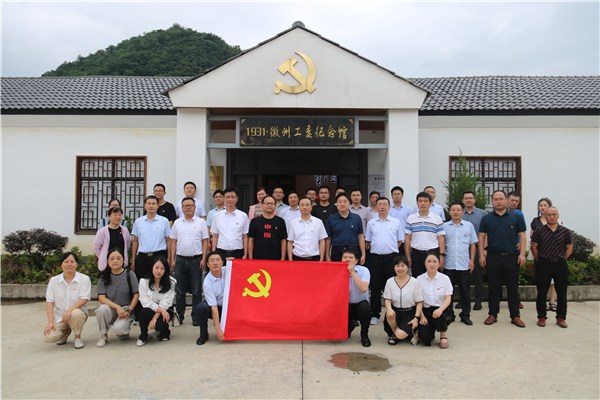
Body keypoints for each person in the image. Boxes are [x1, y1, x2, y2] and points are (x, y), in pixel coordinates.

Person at [479, 190, 527, 328]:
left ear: (506, 200)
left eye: (501, 199)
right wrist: (481, 255)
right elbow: (481, 237)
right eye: (495, 199)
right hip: (493, 257)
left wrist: (522, 254)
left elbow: (522, 236)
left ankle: (515, 316)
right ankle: (493, 314)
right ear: (492, 201)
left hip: (511, 257)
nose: (498, 201)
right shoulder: (487, 218)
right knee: (493, 288)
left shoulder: (516, 217)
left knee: (513, 288)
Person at [169, 196, 209, 326]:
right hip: (180, 260)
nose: (188, 208)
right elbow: (173, 241)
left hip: (196, 260)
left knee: (196, 291)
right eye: (185, 206)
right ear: (181, 208)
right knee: (180, 291)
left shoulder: (201, 222)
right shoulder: (177, 223)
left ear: (195, 207)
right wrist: (172, 259)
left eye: (190, 205)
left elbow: (205, 241)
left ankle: (196, 317)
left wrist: (204, 259)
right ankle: (180, 316)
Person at [531, 206, 573, 328]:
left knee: (562, 292)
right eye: (549, 215)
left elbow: (569, 247)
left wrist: (563, 258)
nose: (552, 217)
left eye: (554, 214)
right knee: (542, 292)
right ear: (545, 216)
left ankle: (561, 318)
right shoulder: (539, 231)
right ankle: (541, 317)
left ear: (558, 216)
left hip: (560, 264)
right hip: (543, 263)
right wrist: (539, 259)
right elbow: (534, 246)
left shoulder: (565, 231)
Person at [365, 197, 403, 325]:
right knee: (375, 287)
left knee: (392, 287)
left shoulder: (396, 222)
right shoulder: (371, 223)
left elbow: (399, 241)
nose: (382, 207)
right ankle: (375, 314)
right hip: (375, 259)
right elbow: (368, 241)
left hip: (391, 259)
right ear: (376, 206)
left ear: (389, 207)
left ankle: (393, 312)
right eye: (379, 204)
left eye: (384, 204)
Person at [43, 252, 91, 349]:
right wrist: (50, 322)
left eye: (72, 262)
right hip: (60, 317)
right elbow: (50, 302)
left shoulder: (84, 279)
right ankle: (65, 332)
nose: (69, 264)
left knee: (75, 313)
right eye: (66, 262)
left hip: (77, 314)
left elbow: (84, 298)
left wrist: (70, 310)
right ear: (61, 265)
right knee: (48, 338)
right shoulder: (54, 281)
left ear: (77, 264)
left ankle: (77, 337)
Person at [95, 248, 139, 347]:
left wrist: (129, 310)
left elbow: (136, 294)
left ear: (123, 260)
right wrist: (117, 307)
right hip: (110, 308)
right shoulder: (103, 277)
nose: (115, 261)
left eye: (118, 258)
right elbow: (101, 298)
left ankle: (123, 331)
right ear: (107, 261)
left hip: (126, 309)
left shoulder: (130, 275)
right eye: (112, 259)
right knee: (102, 309)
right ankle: (103, 335)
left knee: (120, 331)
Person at [443, 203, 478, 325]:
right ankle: (449, 314)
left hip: (464, 264)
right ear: (450, 213)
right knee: (448, 291)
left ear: (462, 212)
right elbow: (441, 244)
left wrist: (472, 261)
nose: (456, 212)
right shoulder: (444, 226)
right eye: (453, 210)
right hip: (448, 264)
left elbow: (472, 244)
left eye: (458, 210)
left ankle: (465, 315)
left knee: (465, 291)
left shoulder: (469, 226)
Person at [383, 255, 423, 346]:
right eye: (397, 266)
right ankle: (397, 334)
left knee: (400, 335)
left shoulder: (414, 282)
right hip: (396, 311)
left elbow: (419, 302)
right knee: (389, 315)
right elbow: (387, 299)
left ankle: (399, 334)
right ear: (394, 267)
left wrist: (416, 317)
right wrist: (389, 308)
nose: (400, 268)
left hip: (410, 312)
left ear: (407, 267)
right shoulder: (390, 281)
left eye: (403, 266)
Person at [130, 195, 172, 281]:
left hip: (159, 255)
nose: (151, 206)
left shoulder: (164, 221)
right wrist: (133, 259)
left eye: (153, 203)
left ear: (158, 206)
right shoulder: (138, 221)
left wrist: (169, 258)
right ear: (145, 206)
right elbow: (135, 241)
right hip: (142, 257)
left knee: (159, 282)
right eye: (149, 203)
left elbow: (169, 240)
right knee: (141, 282)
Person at [404, 191, 446, 277]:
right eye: (420, 201)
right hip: (416, 254)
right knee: (417, 278)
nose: (423, 203)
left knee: (433, 277)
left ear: (430, 203)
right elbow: (407, 238)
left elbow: (441, 238)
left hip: (432, 253)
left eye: (425, 201)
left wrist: (441, 256)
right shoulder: (411, 218)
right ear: (417, 203)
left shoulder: (437, 218)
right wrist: (408, 256)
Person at [416, 253, 453, 348]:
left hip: (441, 309)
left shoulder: (445, 278)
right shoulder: (419, 279)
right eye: (429, 261)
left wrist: (440, 309)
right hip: (426, 311)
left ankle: (443, 334)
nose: (431, 264)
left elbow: (448, 298)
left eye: (434, 261)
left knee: (440, 316)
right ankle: (430, 330)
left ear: (439, 264)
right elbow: (418, 301)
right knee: (425, 339)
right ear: (425, 263)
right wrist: (422, 317)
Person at [137, 257, 175, 346]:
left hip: (166, 309)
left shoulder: (171, 282)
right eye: (156, 268)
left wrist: (155, 318)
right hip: (149, 308)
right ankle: (143, 335)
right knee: (144, 312)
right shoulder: (143, 282)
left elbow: (165, 303)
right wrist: (160, 310)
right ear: (152, 268)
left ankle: (164, 332)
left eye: (162, 268)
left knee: (160, 324)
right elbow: (145, 301)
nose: (159, 271)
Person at [461, 190, 487, 310]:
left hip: (477, 248)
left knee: (478, 276)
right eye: (466, 198)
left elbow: (486, 232)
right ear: (463, 201)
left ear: (474, 200)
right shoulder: (460, 213)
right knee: (463, 276)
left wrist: (485, 249)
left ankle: (478, 300)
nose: (468, 200)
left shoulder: (483, 214)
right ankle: (463, 300)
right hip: (463, 249)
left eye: (470, 198)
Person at [530, 197, 557, 311]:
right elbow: (532, 236)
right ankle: (543, 301)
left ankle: (552, 301)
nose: (543, 207)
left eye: (545, 205)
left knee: (553, 280)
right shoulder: (535, 221)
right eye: (540, 205)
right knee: (541, 279)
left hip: (554, 254)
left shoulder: (555, 220)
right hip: (539, 253)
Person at [196, 251, 227, 345]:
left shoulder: (228, 270)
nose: (215, 263)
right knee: (201, 308)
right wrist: (218, 329)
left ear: (222, 262)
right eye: (212, 261)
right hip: (217, 307)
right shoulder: (207, 282)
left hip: (230, 308)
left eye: (218, 260)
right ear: (208, 264)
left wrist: (233, 261)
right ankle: (204, 335)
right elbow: (214, 307)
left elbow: (242, 267)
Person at [325, 192, 366, 263]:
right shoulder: (331, 219)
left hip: (353, 250)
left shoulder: (356, 218)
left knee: (353, 269)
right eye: (340, 202)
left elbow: (360, 236)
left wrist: (363, 254)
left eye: (345, 202)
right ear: (336, 204)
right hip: (337, 250)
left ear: (349, 203)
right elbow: (328, 238)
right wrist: (327, 255)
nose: (342, 204)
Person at [344, 248, 372, 347]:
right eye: (345, 257)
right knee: (345, 335)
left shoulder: (364, 270)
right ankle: (350, 324)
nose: (347, 259)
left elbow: (364, 289)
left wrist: (352, 273)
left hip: (360, 304)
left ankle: (364, 334)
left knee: (365, 309)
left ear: (356, 260)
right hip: (345, 306)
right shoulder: (337, 271)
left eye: (351, 257)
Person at [211, 187, 249, 259]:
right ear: (224, 199)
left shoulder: (243, 216)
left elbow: (245, 236)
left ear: (236, 199)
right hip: (221, 252)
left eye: (232, 197)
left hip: (238, 253)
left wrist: (245, 254)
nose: (230, 199)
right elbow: (215, 236)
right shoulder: (217, 216)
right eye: (228, 197)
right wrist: (213, 253)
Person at [287, 197, 328, 261]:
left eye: (307, 205)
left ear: (311, 207)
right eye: (302, 205)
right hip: (297, 258)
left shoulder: (318, 222)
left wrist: (321, 259)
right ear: (299, 207)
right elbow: (290, 241)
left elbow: (322, 240)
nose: (304, 207)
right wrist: (290, 259)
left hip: (314, 258)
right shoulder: (293, 222)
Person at [248, 196, 288, 260]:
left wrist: (282, 258)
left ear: (275, 206)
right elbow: (251, 240)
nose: (269, 205)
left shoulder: (280, 221)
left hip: (276, 258)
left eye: (271, 203)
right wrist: (250, 258)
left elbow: (283, 240)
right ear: (262, 205)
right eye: (266, 203)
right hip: (257, 258)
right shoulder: (254, 221)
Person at [93, 206, 131, 271]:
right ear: (109, 216)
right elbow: (96, 247)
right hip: (106, 264)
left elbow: (127, 246)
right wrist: (103, 257)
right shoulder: (102, 231)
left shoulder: (124, 230)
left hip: (121, 264)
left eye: (120, 215)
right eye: (115, 215)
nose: (118, 217)